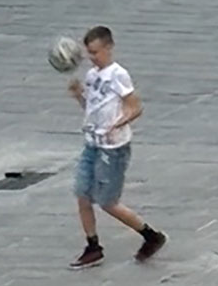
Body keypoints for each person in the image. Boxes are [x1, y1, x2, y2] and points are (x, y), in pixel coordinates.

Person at [67, 25, 165, 269]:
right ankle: (92, 246)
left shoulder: (118, 74)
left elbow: (135, 106)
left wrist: (118, 123)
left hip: (113, 149)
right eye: (89, 53)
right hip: (92, 143)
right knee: (82, 194)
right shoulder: (92, 76)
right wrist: (79, 95)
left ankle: (150, 234)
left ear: (109, 48)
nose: (92, 57)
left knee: (108, 202)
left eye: (96, 52)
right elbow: (92, 108)